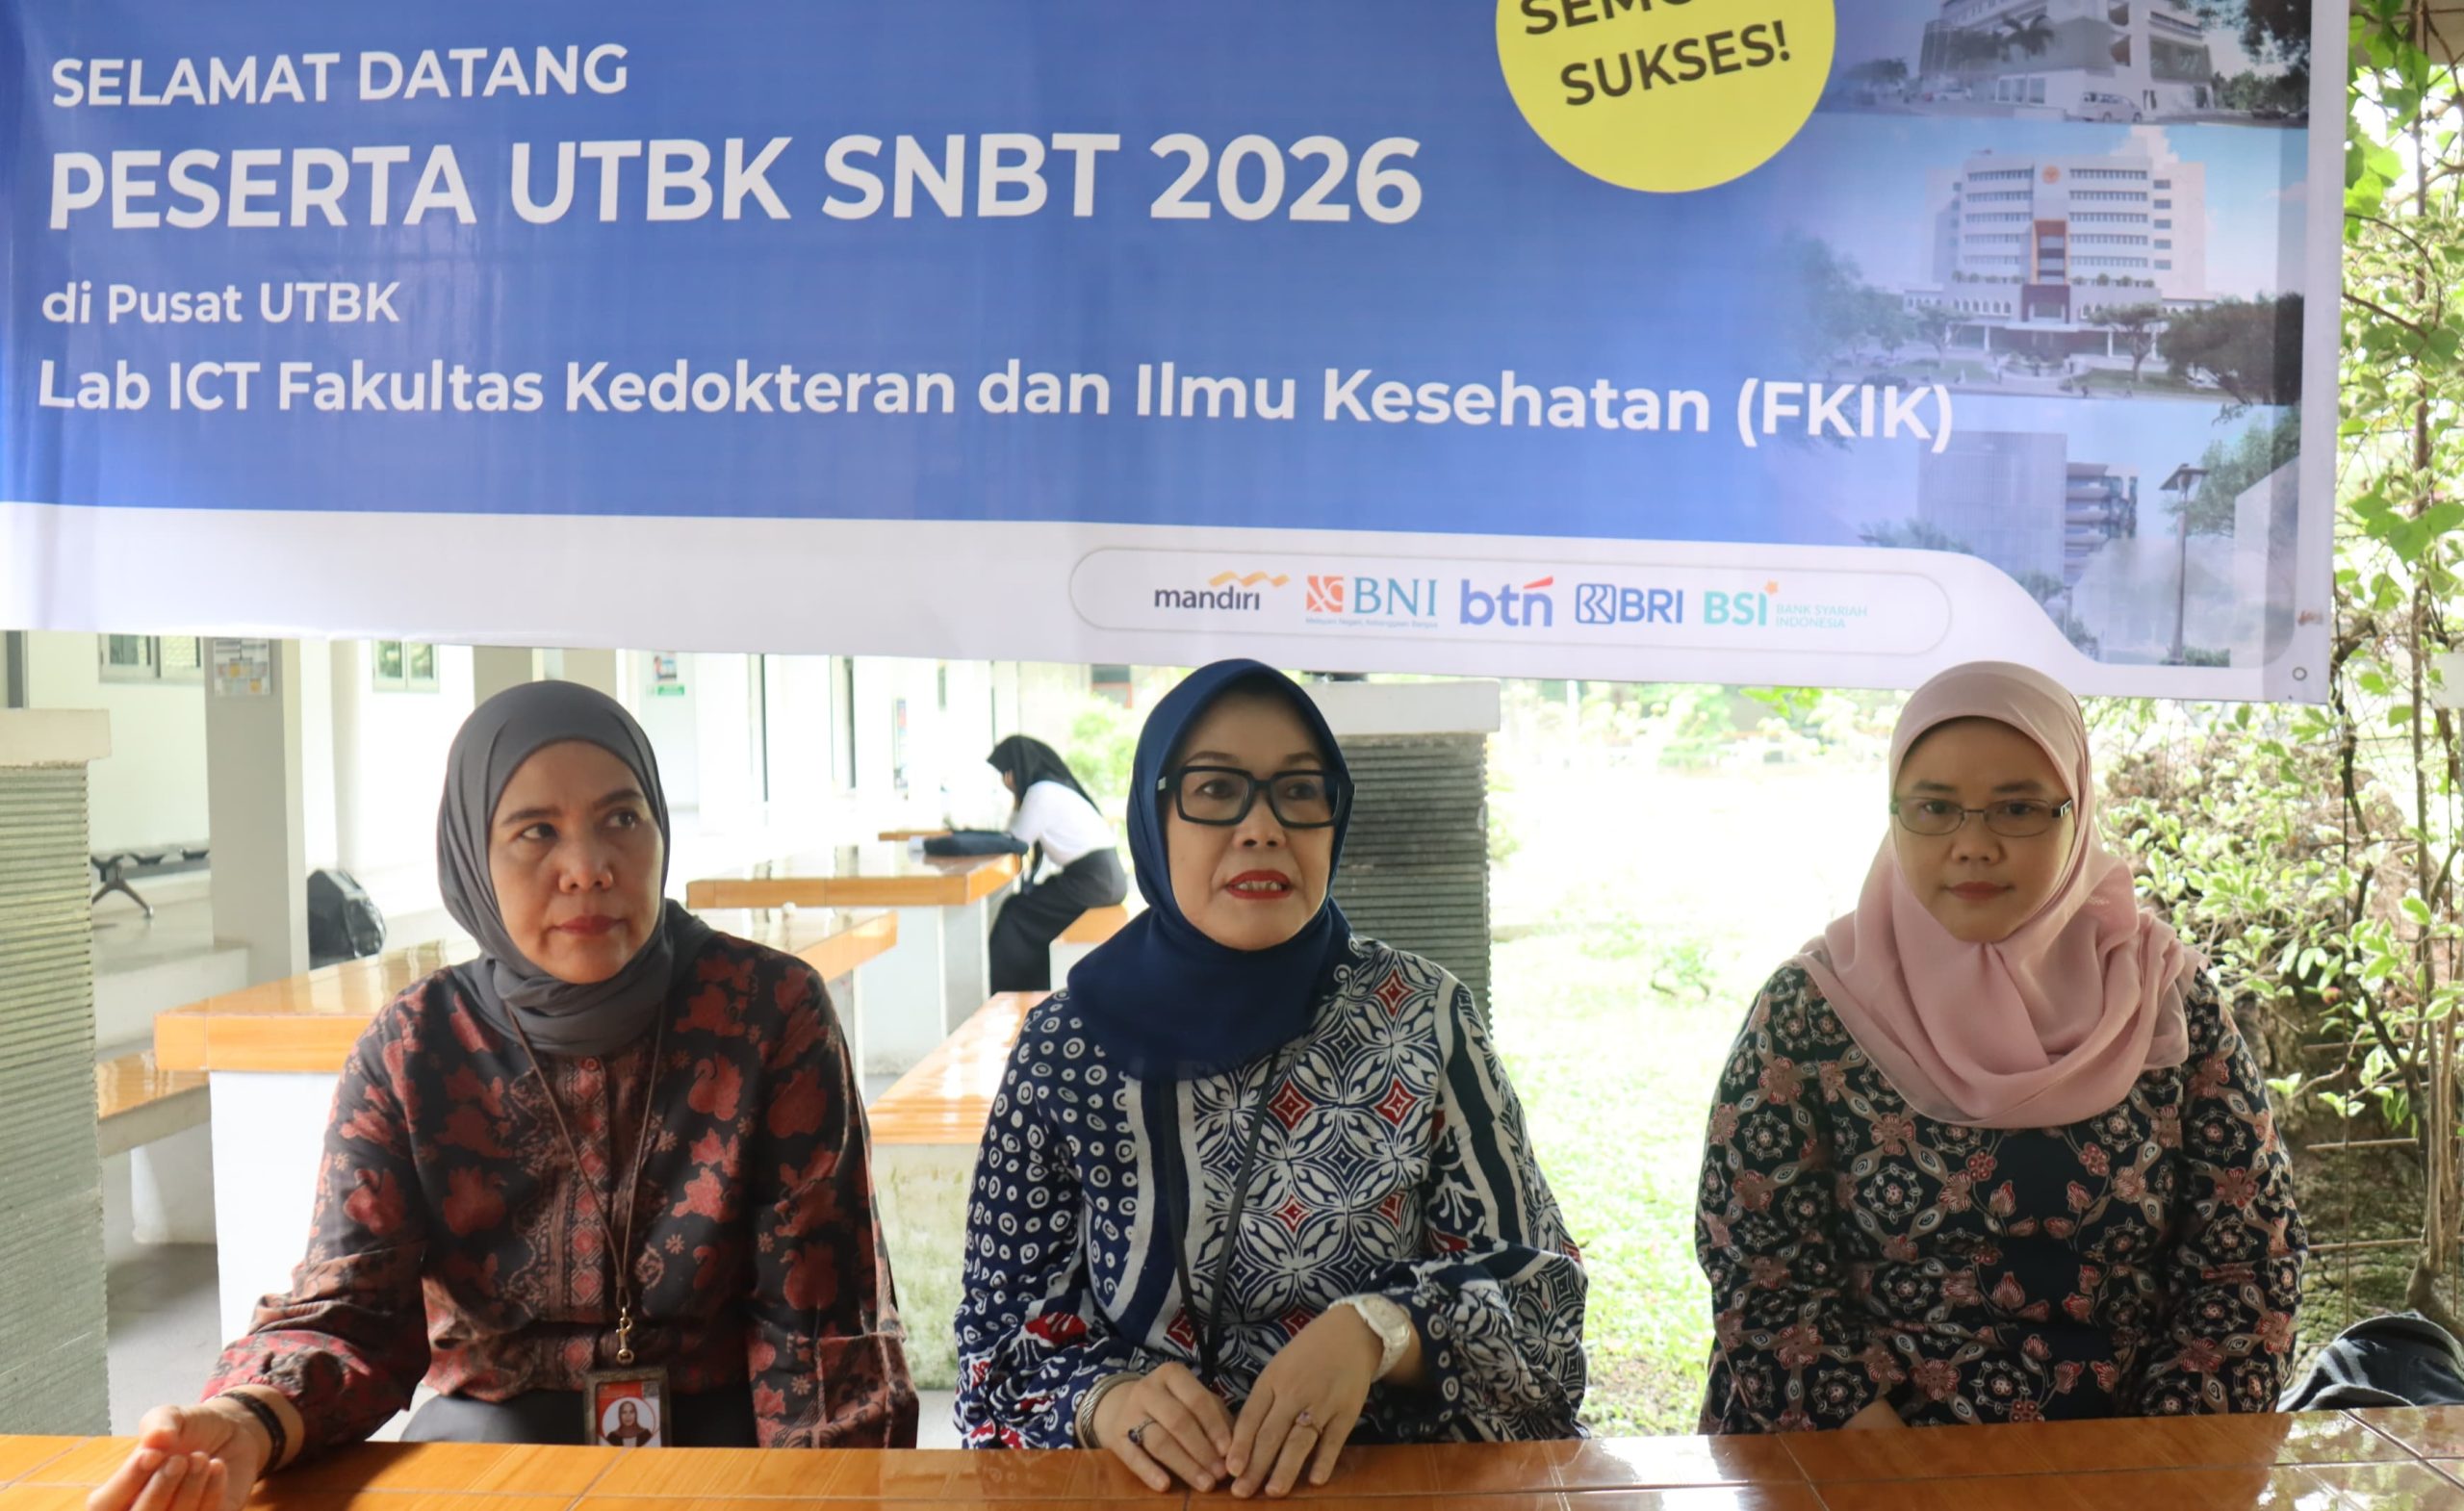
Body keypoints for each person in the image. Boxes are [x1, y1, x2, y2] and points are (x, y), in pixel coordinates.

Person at [87, 681, 916, 1511]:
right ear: (472, 856)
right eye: (536, 832)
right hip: (488, 1443)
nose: (588, 868)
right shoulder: (413, 1049)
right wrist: (250, 1418)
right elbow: (354, 1306)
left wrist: (820, 1499)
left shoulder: (766, 1013)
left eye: (622, 818)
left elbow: (819, 1328)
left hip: (724, 1445)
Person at [954, 660, 1586, 1498]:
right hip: (1150, 1493)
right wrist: (1104, 1402)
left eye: (1299, 791)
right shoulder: (1067, 1049)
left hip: (1385, 1486)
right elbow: (993, 1347)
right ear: (1154, 816)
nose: (1262, 828)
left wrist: (1383, 1330)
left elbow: (1544, 1313)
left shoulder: (1421, 1019)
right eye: (1216, 791)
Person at [1695, 661, 2306, 1433]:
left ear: (2077, 811)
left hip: (2127, 1456)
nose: (1973, 845)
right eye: (1934, 808)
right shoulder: (1814, 1009)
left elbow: (2246, 1260)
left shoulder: (2165, 1000)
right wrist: (1882, 1458)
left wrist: (2153, 1461)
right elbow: (1759, 1261)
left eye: (2017, 809)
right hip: (1852, 1454)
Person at [984, 735, 1128, 992]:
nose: (1006, 780)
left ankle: (1008, 990)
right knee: (1030, 905)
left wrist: (1016, 796)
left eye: (1007, 773)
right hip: (1105, 880)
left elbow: (1017, 840)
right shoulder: (1055, 786)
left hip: (1092, 883)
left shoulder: (1040, 792)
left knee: (1015, 911)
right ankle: (1031, 984)